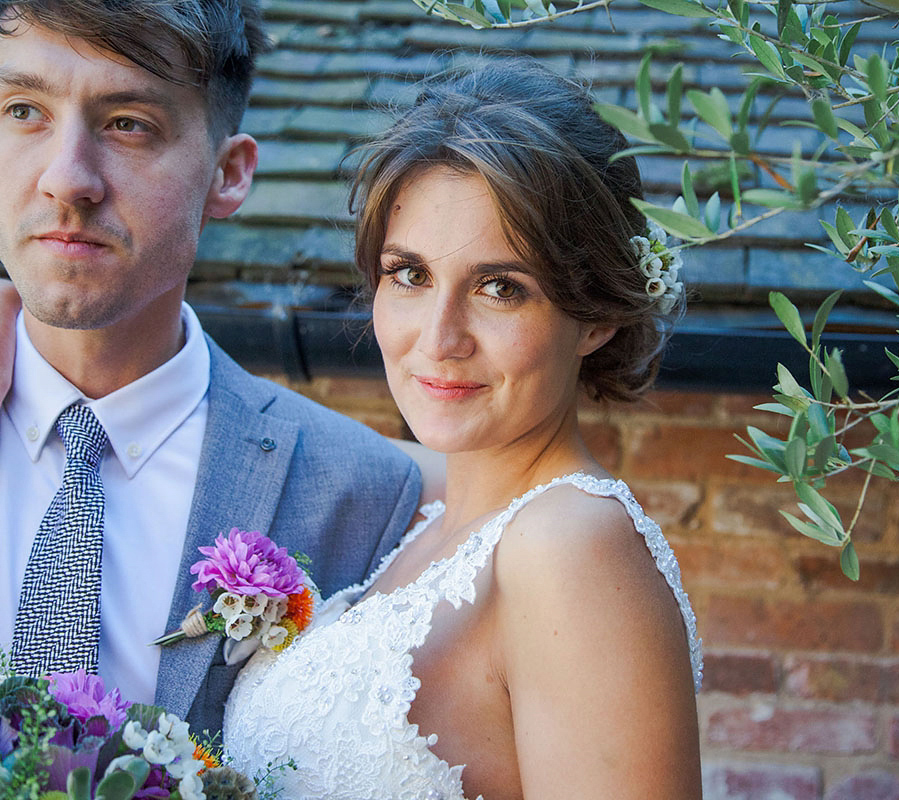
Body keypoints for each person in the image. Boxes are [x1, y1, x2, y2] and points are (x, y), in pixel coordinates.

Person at [221, 60, 703, 799]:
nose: (439, 338)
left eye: (499, 287)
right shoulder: (434, 515)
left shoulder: (570, 549)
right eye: (409, 275)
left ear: (597, 315)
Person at [0, 0, 421, 738]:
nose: (68, 180)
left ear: (228, 174)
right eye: (23, 110)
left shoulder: (362, 493)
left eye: (129, 123)